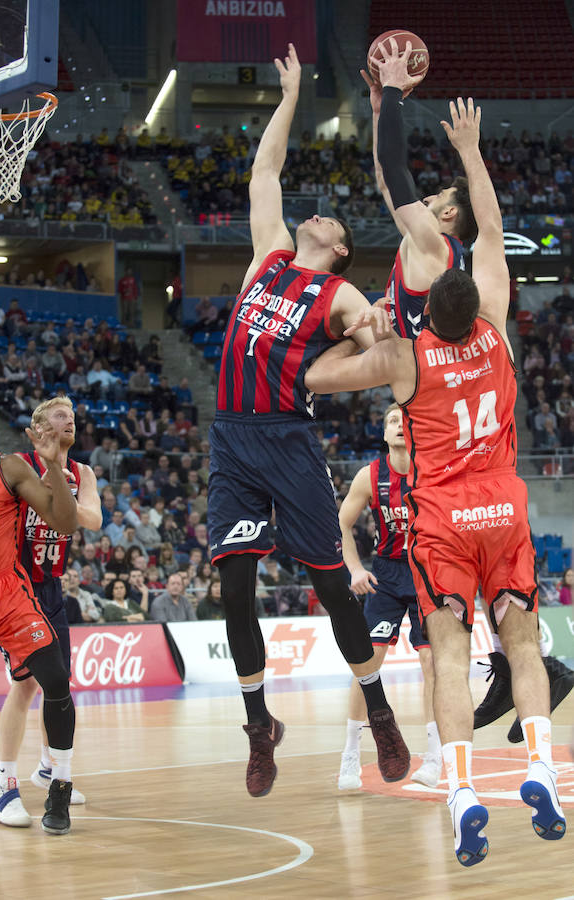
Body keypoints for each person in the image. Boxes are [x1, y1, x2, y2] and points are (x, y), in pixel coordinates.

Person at [305, 83, 566, 865]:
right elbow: (493, 227)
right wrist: (472, 151)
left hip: (443, 512)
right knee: (523, 647)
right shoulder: (497, 325)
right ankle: (543, 769)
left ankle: (458, 790)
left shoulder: (411, 360)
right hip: (505, 503)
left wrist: (365, 335)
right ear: (479, 300)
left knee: (450, 655)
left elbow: (317, 376)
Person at [208, 43, 410, 800]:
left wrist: (382, 326)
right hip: (231, 436)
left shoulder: (340, 295)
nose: (315, 211)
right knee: (232, 589)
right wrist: (289, 95)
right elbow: (266, 171)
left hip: (290, 443)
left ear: (341, 247)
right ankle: (260, 726)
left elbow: (376, 348)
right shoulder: (270, 255)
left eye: (328, 218)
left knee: (332, 591)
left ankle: (382, 716)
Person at [0, 396, 102, 829]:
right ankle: (4, 784)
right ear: (38, 427)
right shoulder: (17, 466)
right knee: (24, 688)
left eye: (72, 418)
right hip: (16, 587)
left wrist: (62, 501)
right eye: (59, 416)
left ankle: (47, 768)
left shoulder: (83, 473)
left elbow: (91, 519)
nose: (68, 422)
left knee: (58, 687)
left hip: (52, 589)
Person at [0, 400, 78, 835]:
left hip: (4, 590)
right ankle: (4, 790)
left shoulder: (10, 468)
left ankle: (60, 784)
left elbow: (65, 522)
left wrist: (53, 467)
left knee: (54, 678)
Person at [337, 403, 441, 791]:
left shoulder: (434, 469)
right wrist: (355, 569)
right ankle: (350, 754)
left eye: (404, 420)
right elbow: (341, 525)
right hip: (386, 572)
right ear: (383, 434)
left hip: (428, 572)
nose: (399, 426)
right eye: (392, 421)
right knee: (368, 662)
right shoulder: (369, 476)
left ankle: (433, 757)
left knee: (431, 660)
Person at [361, 54, 476, 340]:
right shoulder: (430, 246)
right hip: (416, 373)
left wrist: (393, 93)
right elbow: (386, 181)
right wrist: (378, 113)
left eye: (439, 195)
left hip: (422, 379)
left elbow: (394, 166)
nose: (426, 199)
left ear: (450, 213)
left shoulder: (433, 244)